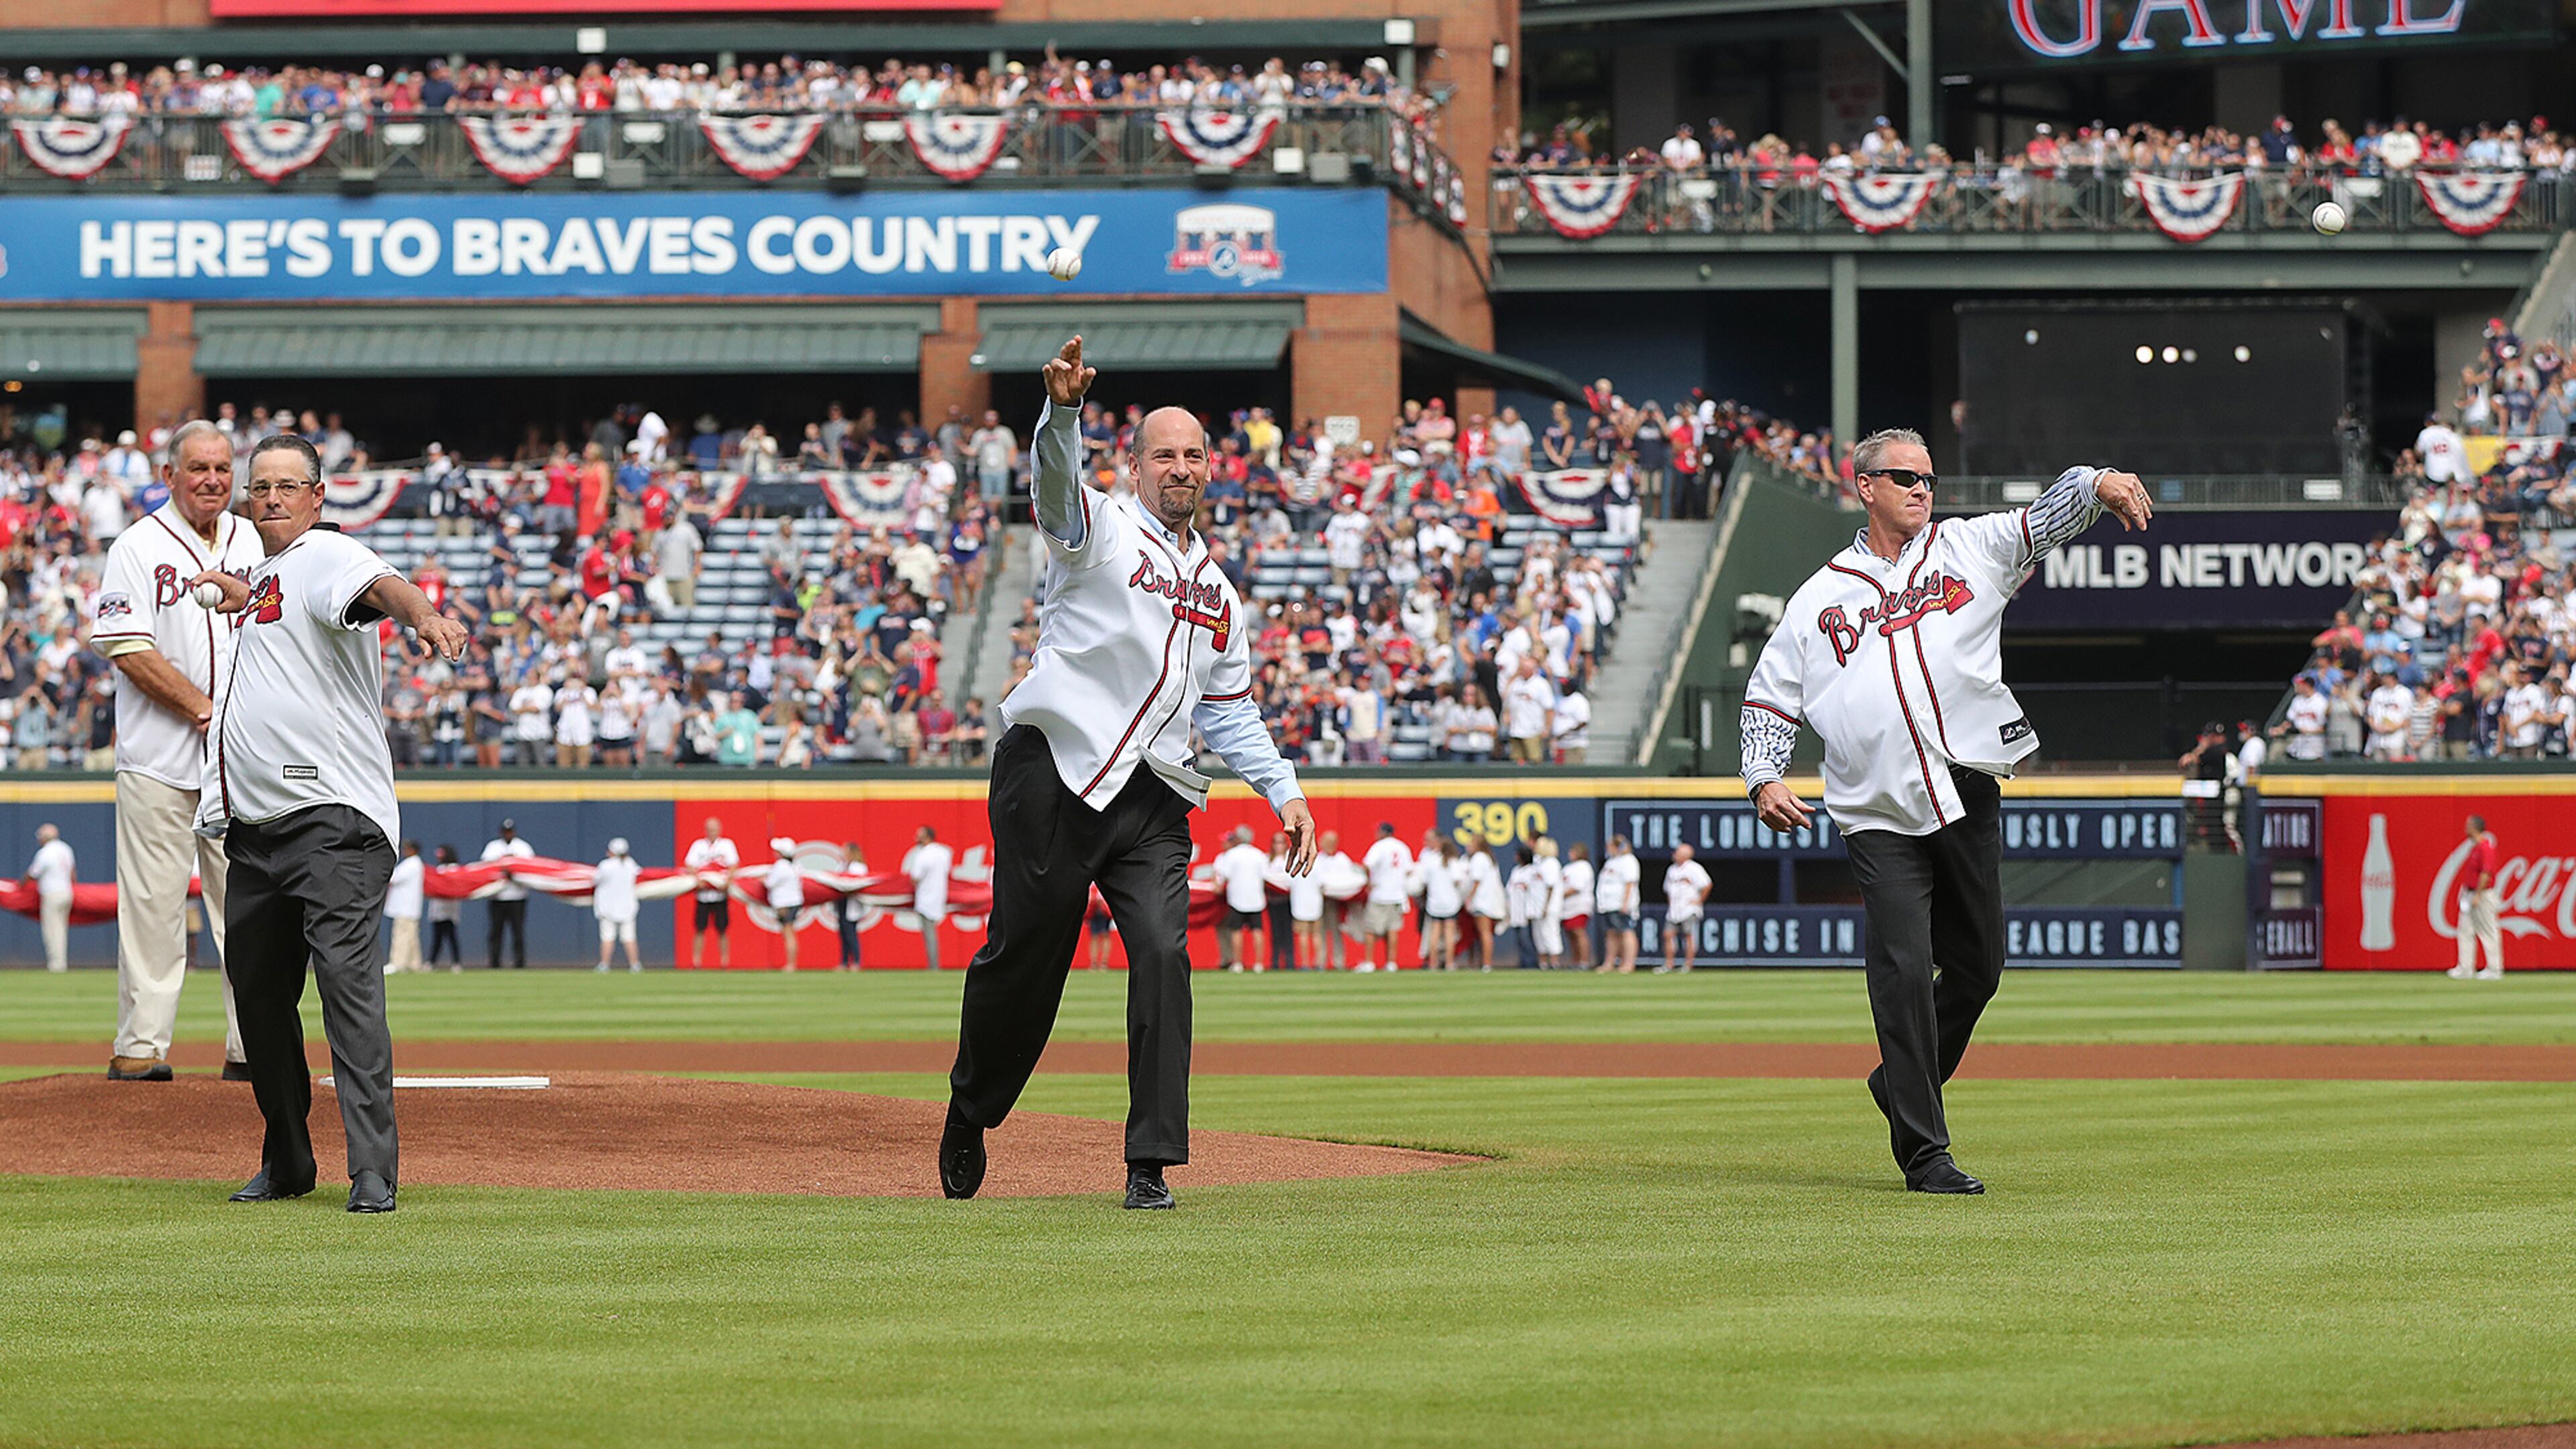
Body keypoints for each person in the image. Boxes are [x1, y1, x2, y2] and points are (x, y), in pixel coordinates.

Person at [943, 336, 1316, 1213]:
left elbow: (1227, 710)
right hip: (1055, 773)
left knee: (1161, 955)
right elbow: (1051, 489)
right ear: (1136, 466)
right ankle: (972, 1106)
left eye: (1193, 455)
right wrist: (1063, 414)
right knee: (1024, 960)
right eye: (1164, 454)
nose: (1179, 467)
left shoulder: (1219, 591)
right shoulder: (1099, 529)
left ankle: (1149, 1162)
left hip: (1153, 798)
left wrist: (1286, 791)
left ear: (1208, 469)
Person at [1740, 427, 2151, 1194]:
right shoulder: (1818, 597)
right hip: (1874, 807)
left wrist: (2097, 481)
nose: (1923, 489)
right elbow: (1769, 694)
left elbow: (2044, 517)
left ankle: (1899, 1083)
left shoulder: (1969, 548)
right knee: (1900, 972)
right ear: (1865, 486)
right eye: (1904, 477)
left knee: (1979, 966)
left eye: (1929, 477)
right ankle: (1925, 1152)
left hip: (1965, 786)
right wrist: (1763, 776)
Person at [189, 431, 470, 1213]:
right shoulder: (270, 578)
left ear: (318, 497)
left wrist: (423, 614)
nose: (272, 497)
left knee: (348, 988)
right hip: (256, 831)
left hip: (331, 823)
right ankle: (287, 1160)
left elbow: (381, 583)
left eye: (288, 485)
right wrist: (244, 595)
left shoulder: (327, 555)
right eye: (261, 487)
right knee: (257, 999)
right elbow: (278, 614)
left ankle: (373, 1169)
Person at [92, 419, 262, 1081]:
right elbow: (126, 645)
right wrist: (204, 709)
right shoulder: (136, 546)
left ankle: (253, 1046)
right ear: (170, 476)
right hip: (159, 759)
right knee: (153, 907)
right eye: (199, 468)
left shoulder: (256, 539)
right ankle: (142, 1048)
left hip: (243, 765)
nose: (213, 480)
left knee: (249, 909)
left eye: (222, 468)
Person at [2446, 814, 2504, 981]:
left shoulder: (2486, 848)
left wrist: (2478, 894)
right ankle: (2465, 967)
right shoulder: (2476, 847)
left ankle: (2494, 968)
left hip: (2483, 895)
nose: (2465, 828)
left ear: (2475, 827)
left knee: (2487, 930)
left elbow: (2486, 873)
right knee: (2465, 929)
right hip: (2470, 893)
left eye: (2468, 825)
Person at [1354, 821, 1413, 972]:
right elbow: (1409, 870)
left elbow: (1367, 865)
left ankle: (1369, 962)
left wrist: (1369, 882)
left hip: (1380, 894)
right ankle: (1391, 963)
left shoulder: (1379, 847)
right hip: (1397, 895)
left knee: (1371, 930)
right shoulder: (1402, 847)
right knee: (1392, 930)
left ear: (1382, 832)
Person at [1211, 826, 1270, 972]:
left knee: (1236, 931)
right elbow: (1267, 875)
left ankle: (1237, 963)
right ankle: (1259, 964)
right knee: (1257, 930)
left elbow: (1224, 875)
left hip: (1237, 898)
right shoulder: (1260, 855)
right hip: (1256, 898)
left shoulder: (1231, 855)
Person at [684, 817, 739, 969]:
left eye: (714, 829)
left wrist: (726, 881)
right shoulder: (699, 846)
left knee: (722, 929)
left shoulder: (727, 845)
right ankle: (696, 962)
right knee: (700, 928)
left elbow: (734, 864)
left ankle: (724, 962)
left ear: (719, 829)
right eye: (709, 828)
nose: (712, 831)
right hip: (703, 895)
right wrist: (698, 879)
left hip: (720, 894)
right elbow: (689, 864)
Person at [479, 819, 533, 969]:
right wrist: (503, 872)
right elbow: (485, 867)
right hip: (497, 897)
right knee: (496, 932)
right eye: (505, 831)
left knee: (518, 932)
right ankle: (494, 963)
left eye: (510, 831)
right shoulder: (493, 847)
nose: (508, 834)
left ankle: (520, 963)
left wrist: (514, 873)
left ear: (514, 832)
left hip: (518, 897)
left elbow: (531, 869)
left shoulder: (523, 847)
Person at [27, 824, 75, 974]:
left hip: (52, 893)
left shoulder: (46, 852)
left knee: (51, 931)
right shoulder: (66, 848)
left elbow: (33, 873)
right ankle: (61, 963)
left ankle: (56, 965)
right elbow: (73, 874)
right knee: (61, 930)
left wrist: (20, 885)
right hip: (67, 891)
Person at [1656, 843, 1711, 975]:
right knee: (1668, 935)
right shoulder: (1672, 870)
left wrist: (1699, 901)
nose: (1675, 855)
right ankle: (1669, 964)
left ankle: (1688, 964)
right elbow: (1667, 889)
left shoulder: (1694, 868)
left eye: (1678, 853)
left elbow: (1707, 885)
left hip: (1689, 908)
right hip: (1674, 909)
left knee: (1689, 935)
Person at [905, 825, 953, 972]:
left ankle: (933, 966)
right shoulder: (944, 852)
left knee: (929, 934)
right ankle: (934, 964)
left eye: (919, 835)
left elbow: (915, 878)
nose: (916, 837)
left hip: (925, 898)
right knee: (931, 932)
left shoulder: (923, 855)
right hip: (939, 896)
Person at [1594, 833, 1642, 974]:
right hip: (1607, 904)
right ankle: (1609, 963)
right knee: (1611, 933)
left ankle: (1628, 963)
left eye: (1610, 846)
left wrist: (1625, 903)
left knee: (1626, 932)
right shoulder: (1611, 862)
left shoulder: (1629, 861)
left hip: (1621, 904)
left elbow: (1630, 883)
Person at [594, 837, 642, 973]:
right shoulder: (631, 865)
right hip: (627, 907)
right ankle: (635, 965)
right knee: (629, 937)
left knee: (608, 937)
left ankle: (604, 965)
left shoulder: (605, 866)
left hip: (607, 907)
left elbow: (594, 880)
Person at [383, 841, 425, 975]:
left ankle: (397, 963)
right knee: (411, 937)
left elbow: (392, 878)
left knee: (401, 936)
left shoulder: (411, 864)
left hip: (405, 908)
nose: (405, 850)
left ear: (413, 850)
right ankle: (414, 964)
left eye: (407, 848)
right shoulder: (415, 864)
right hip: (410, 908)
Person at [763, 838, 805, 972]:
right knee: (790, 933)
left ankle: (791, 964)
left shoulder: (781, 866)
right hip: (793, 901)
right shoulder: (795, 866)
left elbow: (769, 883)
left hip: (785, 903)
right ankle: (792, 963)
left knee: (788, 933)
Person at [425, 845, 463, 970]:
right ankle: (431, 962)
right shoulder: (439, 869)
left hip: (451, 908)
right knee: (437, 938)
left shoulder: (455, 869)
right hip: (438, 908)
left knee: (452, 937)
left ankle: (456, 963)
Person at [1558, 841, 1596, 971]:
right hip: (1566, 907)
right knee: (1570, 935)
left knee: (1579, 932)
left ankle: (1584, 961)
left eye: (1573, 851)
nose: (1570, 854)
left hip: (1579, 905)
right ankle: (1575, 961)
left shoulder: (1584, 867)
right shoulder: (1568, 867)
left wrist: (1559, 895)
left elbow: (1576, 887)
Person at [835, 842, 865, 971]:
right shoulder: (842, 866)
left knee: (851, 933)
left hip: (852, 902)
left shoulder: (859, 867)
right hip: (841, 902)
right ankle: (844, 962)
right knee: (843, 933)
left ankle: (856, 961)